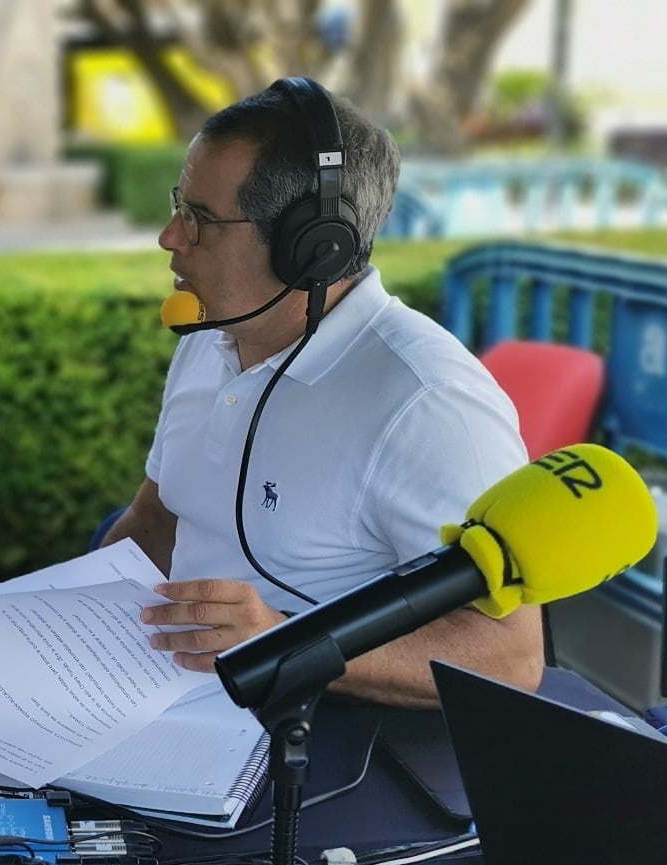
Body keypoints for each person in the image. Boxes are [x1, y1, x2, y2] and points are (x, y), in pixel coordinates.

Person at [103, 80, 541, 707]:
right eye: (181, 205)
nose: (171, 237)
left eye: (201, 219)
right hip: (166, 701)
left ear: (312, 247)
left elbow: (512, 657)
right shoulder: (211, 338)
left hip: (325, 744)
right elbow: (156, 523)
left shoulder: (431, 403)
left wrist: (280, 643)